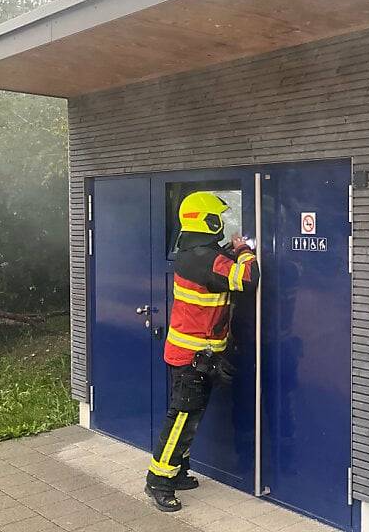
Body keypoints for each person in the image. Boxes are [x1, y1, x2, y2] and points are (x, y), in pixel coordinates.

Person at [144, 191, 259, 512]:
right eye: (218, 216)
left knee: (189, 416)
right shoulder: (205, 259)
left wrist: (230, 252)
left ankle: (177, 472)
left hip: (194, 354)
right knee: (181, 419)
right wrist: (245, 251)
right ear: (207, 220)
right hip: (192, 357)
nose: (222, 221)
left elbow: (217, 269)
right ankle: (158, 481)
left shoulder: (195, 253)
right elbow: (247, 279)